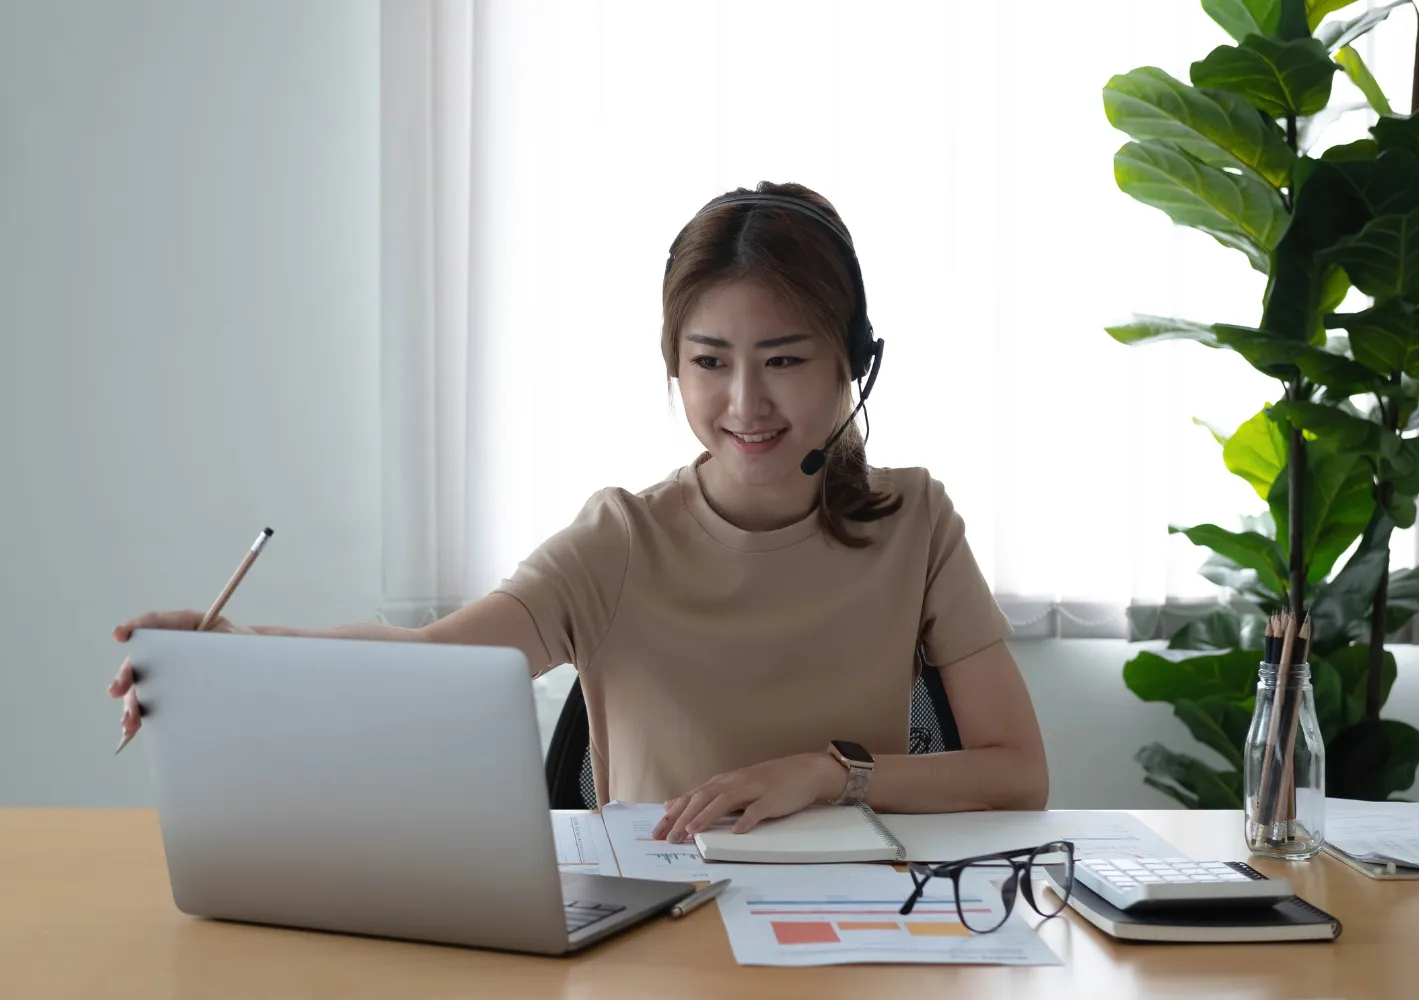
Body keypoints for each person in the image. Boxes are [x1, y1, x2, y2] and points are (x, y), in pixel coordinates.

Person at [108, 181, 1048, 845]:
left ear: (854, 362)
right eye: (710, 361)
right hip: (667, 923)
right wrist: (239, 647)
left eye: (787, 359)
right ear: (673, 365)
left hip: (859, 926)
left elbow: (1016, 772)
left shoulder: (915, 519)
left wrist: (828, 774)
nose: (746, 405)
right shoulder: (623, 541)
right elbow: (438, 661)